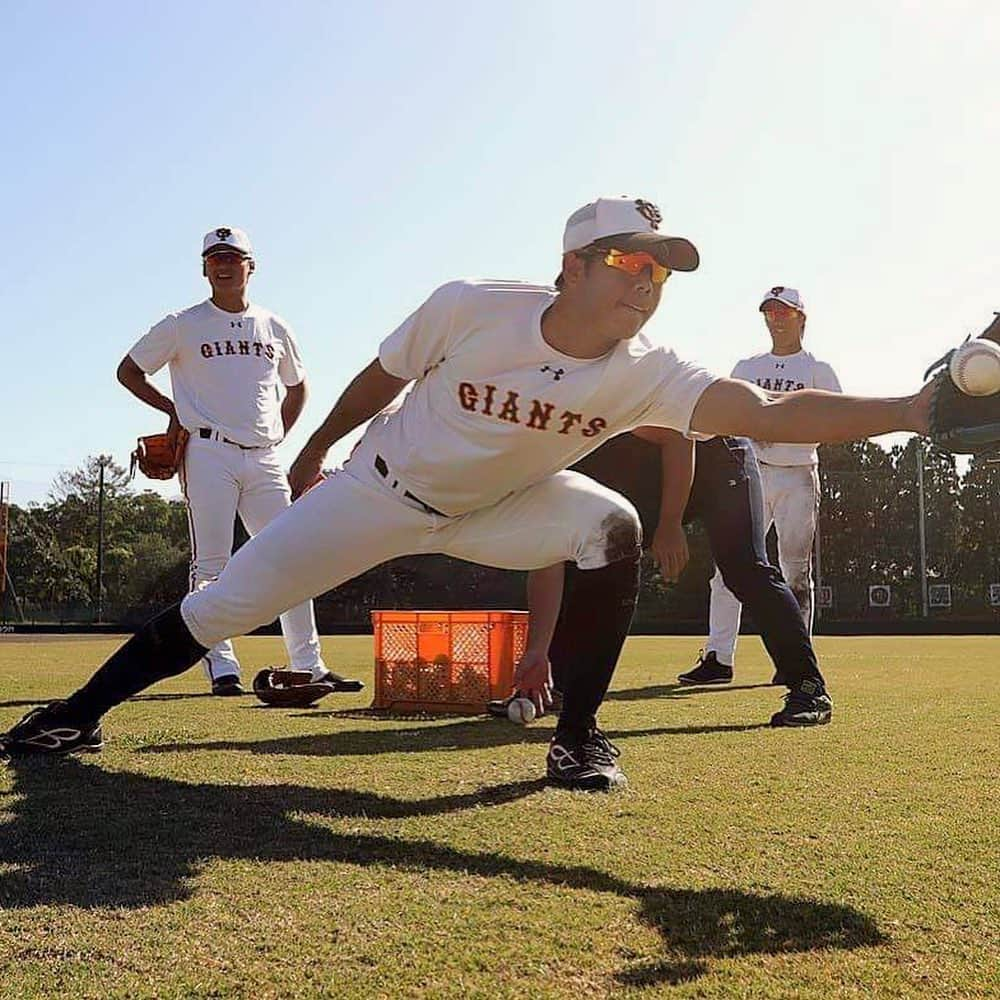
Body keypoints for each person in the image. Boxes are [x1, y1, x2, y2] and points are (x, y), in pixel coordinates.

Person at [1, 196, 935, 791]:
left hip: (500, 509)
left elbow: (769, 412)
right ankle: (80, 710)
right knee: (228, 601)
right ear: (570, 265)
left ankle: (576, 737)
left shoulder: (647, 369)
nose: (645, 283)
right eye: (627, 261)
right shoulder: (473, 306)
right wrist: (320, 446)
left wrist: (917, 410)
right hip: (380, 489)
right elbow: (380, 376)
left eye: (660, 271)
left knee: (608, 526)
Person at [492, 427, 834, 727]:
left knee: (744, 568)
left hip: (716, 460)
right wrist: (536, 652)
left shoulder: (583, 406)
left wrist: (670, 524)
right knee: (575, 563)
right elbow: (548, 559)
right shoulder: (541, 471)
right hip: (649, 483)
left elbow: (677, 437)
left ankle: (809, 689)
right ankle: (553, 687)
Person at [115, 226, 333, 696]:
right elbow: (128, 370)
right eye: (215, 257)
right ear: (204, 268)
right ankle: (221, 665)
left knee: (293, 557)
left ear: (251, 266)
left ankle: (309, 665)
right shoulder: (182, 323)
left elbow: (297, 387)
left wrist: (279, 434)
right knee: (211, 563)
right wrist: (172, 409)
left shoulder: (274, 326)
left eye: (233, 256)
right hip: (208, 450)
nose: (224, 264)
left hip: (265, 456)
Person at [681, 287, 842, 686]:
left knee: (795, 572)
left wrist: (789, 431)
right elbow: (726, 415)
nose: (776, 318)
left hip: (798, 473)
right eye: (770, 312)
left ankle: (795, 661)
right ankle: (718, 658)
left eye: (785, 312)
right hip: (750, 475)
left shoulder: (817, 370)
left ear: (802, 318)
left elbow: (837, 419)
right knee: (727, 571)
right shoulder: (747, 367)